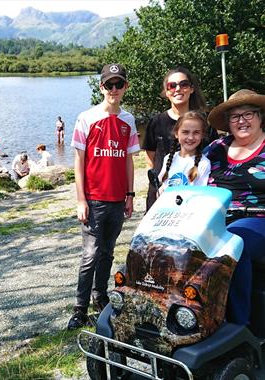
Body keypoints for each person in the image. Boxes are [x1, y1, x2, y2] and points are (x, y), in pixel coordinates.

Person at [68, 63, 140, 329]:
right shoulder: (86, 117)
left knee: (108, 252)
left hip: (117, 199)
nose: (113, 89)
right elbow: (78, 160)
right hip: (94, 199)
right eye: (109, 84)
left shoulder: (128, 120)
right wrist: (81, 199)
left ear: (125, 87)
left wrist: (130, 194)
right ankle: (79, 308)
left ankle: (100, 296)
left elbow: (129, 161)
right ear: (101, 87)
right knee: (90, 255)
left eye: (118, 84)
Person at [205, 89, 265, 325]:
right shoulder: (216, 147)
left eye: (248, 114)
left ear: (260, 117)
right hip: (213, 217)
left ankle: (238, 326)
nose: (242, 121)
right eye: (235, 116)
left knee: (233, 243)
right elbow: (193, 176)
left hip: (258, 218)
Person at [142, 67, 217, 210]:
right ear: (166, 91)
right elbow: (150, 159)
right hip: (161, 197)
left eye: (184, 84)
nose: (178, 89)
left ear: (192, 89)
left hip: (194, 201)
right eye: (172, 85)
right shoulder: (156, 122)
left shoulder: (206, 122)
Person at [157, 111, 211, 195]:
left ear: (202, 135)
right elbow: (163, 185)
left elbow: (200, 195)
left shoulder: (204, 163)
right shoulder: (168, 158)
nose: (190, 137)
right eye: (185, 132)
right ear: (176, 133)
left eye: (196, 132)